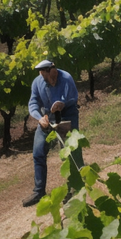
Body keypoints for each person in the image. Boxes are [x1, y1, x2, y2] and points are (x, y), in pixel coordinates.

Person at [23, 60, 82, 207]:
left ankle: (74, 188)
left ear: (53, 69)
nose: (50, 80)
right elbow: (33, 104)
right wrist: (39, 117)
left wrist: (63, 103)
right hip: (47, 117)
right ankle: (39, 191)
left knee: (71, 152)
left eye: (51, 75)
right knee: (38, 152)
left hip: (67, 114)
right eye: (44, 76)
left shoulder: (66, 77)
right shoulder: (37, 82)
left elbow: (73, 97)